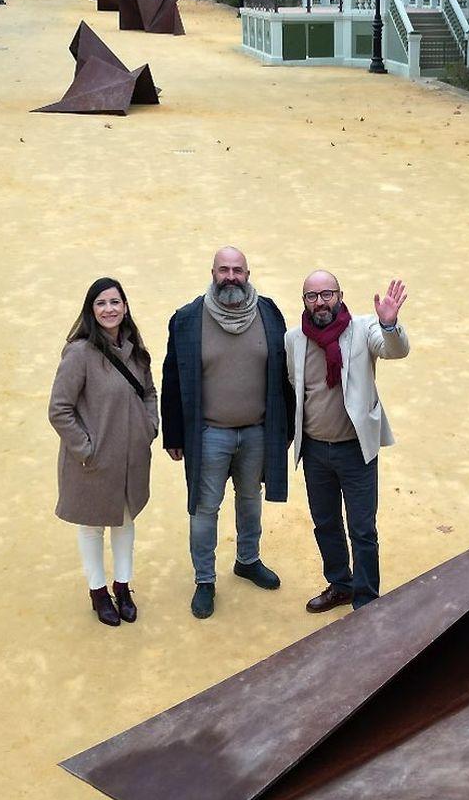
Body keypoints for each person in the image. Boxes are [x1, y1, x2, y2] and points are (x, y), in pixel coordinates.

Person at [162, 247, 292, 619]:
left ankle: (247, 560)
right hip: (209, 435)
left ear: (248, 274)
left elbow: (283, 373)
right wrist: (174, 434)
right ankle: (205, 579)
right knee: (205, 509)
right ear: (213, 272)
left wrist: (282, 428)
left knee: (250, 500)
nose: (230, 276)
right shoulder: (188, 319)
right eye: (224, 270)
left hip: (256, 433)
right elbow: (173, 377)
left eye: (237, 270)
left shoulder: (268, 312)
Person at [286, 271, 410, 614]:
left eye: (327, 294)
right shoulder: (293, 339)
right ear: (304, 302)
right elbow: (294, 388)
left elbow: (395, 350)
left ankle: (366, 599)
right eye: (312, 296)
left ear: (340, 295)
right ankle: (340, 584)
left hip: (355, 449)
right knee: (325, 522)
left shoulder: (365, 328)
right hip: (314, 450)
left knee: (362, 528)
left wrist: (390, 324)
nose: (320, 301)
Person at [49, 277, 159, 627]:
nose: (109, 309)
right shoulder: (79, 353)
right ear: (91, 310)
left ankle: (123, 587)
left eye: (115, 302)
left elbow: (149, 392)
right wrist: (87, 449)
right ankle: (98, 592)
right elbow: (59, 409)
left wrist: (149, 427)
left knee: (125, 521)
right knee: (93, 526)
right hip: (93, 462)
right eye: (101, 303)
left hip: (131, 456)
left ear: (124, 307)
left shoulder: (135, 349)